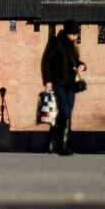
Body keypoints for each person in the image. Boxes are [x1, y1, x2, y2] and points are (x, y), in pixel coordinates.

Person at [40, 20, 86, 155]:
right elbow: (46, 61)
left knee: (66, 115)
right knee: (64, 113)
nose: (76, 37)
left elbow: (75, 61)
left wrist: (82, 65)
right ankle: (62, 147)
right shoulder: (55, 42)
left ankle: (53, 143)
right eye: (74, 34)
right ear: (68, 32)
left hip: (70, 85)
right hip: (58, 83)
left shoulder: (72, 46)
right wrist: (47, 80)